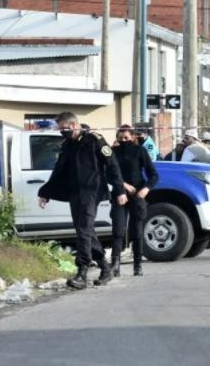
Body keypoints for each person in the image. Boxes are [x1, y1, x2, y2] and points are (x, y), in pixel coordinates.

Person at [37, 112, 127, 289]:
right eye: (60, 128)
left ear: (74, 125)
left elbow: (112, 164)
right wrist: (45, 192)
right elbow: (58, 170)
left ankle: (82, 272)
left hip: (91, 191)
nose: (62, 131)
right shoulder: (67, 145)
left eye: (64, 128)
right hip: (75, 193)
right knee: (84, 230)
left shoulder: (94, 140)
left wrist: (120, 190)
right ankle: (105, 267)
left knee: (84, 229)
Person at [111, 125, 159, 277]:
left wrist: (146, 189)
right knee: (118, 229)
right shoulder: (113, 153)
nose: (124, 140)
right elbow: (109, 174)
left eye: (126, 138)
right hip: (119, 193)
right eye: (121, 138)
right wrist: (123, 186)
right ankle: (115, 264)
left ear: (133, 137)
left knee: (136, 231)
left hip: (138, 194)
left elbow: (153, 175)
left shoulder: (140, 151)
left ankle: (137, 264)